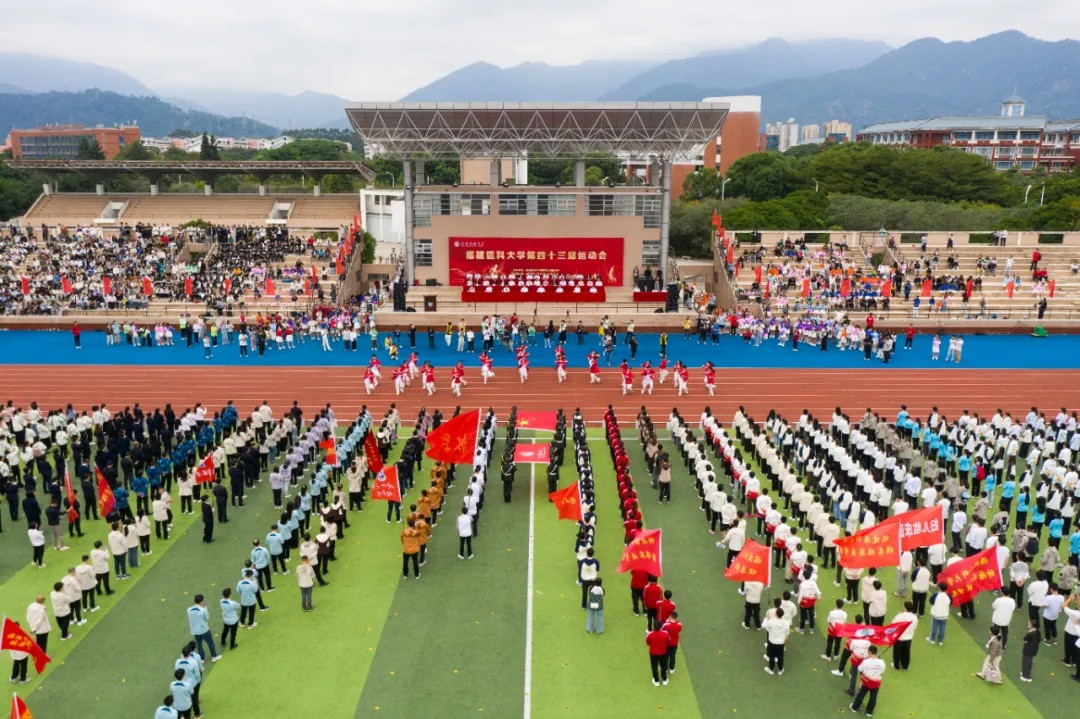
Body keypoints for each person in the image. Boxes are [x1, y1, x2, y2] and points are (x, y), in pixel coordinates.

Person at [850, 645, 885, 717]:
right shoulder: (882, 663)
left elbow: (859, 669)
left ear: (870, 652)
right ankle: (869, 712)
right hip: (876, 682)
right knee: (873, 697)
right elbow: (882, 672)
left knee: (861, 694)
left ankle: (855, 707)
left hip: (867, 681)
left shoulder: (865, 662)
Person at [186, 595, 221, 662]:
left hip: (195, 631)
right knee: (210, 643)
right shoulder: (203, 610)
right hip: (204, 630)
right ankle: (214, 656)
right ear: (201, 601)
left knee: (199, 645)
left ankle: (202, 659)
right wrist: (206, 609)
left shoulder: (189, 610)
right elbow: (207, 618)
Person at [762, 607, 790, 675]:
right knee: (780, 657)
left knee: (771, 656)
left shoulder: (771, 621)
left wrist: (766, 618)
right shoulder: (786, 623)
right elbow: (787, 634)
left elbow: (763, 625)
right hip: (781, 643)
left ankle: (771, 669)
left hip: (772, 642)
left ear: (776, 614)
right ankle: (780, 670)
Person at [1020, 618, 1040, 682]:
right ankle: (1025, 673)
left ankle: (1026, 676)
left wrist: (1027, 642)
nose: (1028, 625)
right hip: (1032, 649)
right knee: (1027, 661)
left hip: (1028, 650)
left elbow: (1025, 638)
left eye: (1029, 624)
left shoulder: (1031, 633)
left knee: (1026, 662)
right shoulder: (1037, 631)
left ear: (1032, 625)